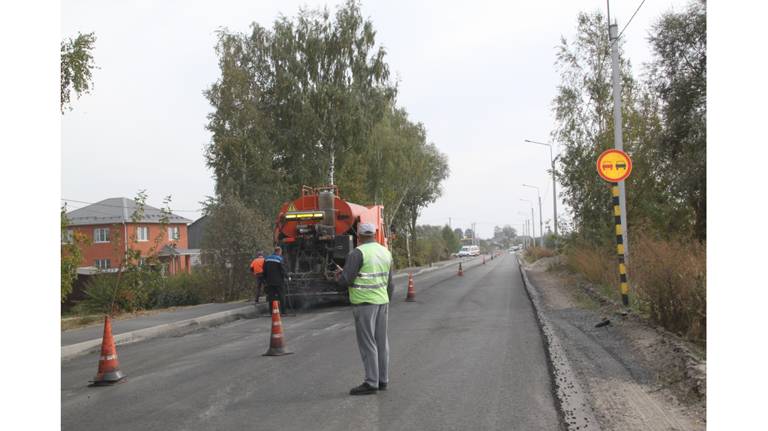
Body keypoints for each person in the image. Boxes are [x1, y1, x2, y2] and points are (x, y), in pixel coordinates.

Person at [336, 223, 394, 395]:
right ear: (375, 235)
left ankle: (371, 382)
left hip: (364, 304)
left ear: (359, 237)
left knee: (368, 343)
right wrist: (385, 300)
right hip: (382, 302)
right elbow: (391, 283)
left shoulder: (357, 253)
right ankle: (383, 380)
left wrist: (338, 277)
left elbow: (346, 281)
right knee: (382, 343)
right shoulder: (385, 252)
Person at [262, 246, 287, 314]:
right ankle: (283, 312)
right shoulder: (279, 259)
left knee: (271, 297)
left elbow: (264, 270)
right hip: (278, 282)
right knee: (281, 296)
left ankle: (271, 312)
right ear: (278, 251)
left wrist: (265, 279)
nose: (281, 254)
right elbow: (283, 270)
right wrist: (287, 276)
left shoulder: (267, 259)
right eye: (280, 252)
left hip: (269, 281)